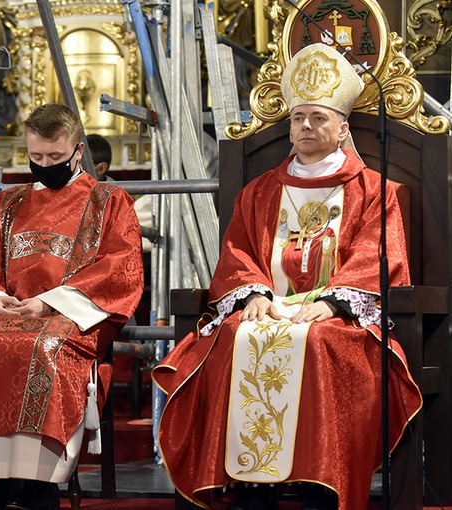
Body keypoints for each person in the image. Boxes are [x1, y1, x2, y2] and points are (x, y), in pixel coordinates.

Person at [151, 43, 422, 510]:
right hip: (268, 306)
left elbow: (379, 255)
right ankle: (251, 486)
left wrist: (332, 302)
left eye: (318, 117)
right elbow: (237, 251)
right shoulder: (260, 192)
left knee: (318, 343)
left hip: (339, 316)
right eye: (298, 118)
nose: (306, 127)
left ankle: (321, 481)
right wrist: (253, 293)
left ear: (342, 128)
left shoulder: (375, 191)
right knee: (235, 336)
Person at [0, 103, 144, 510]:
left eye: (55, 158)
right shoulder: (6, 205)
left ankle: (41, 483)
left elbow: (120, 269)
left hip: (73, 318)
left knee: (41, 350)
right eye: (35, 157)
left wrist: (49, 304)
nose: (44, 165)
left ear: (77, 150)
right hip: (9, 315)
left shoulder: (109, 202)